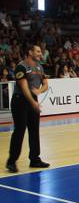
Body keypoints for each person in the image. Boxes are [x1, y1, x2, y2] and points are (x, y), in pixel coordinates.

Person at [6, 44, 50, 173]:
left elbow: (46, 84)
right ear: (30, 52)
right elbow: (24, 86)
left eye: (40, 51)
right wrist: (32, 101)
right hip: (20, 101)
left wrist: (39, 91)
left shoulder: (39, 67)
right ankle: (11, 161)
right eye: (37, 51)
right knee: (20, 130)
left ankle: (35, 159)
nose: (40, 53)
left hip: (32, 101)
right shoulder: (22, 66)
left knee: (34, 130)